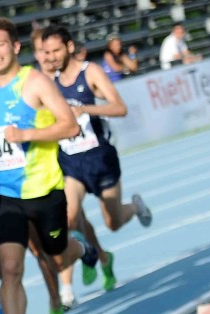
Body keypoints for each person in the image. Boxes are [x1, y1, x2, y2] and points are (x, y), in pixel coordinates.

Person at [0, 18, 98, 314]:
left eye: (0, 44)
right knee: (11, 268)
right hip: (6, 194)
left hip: (44, 190)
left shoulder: (34, 82)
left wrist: (26, 134)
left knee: (57, 260)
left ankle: (82, 247)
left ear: (15, 47)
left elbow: (70, 125)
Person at [42, 24, 152, 294]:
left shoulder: (89, 71)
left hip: (100, 157)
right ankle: (86, 255)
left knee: (113, 222)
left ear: (69, 47)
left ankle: (134, 206)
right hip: (71, 162)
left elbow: (120, 107)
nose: (52, 57)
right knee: (68, 218)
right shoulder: (47, 82)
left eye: (56, 50)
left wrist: (85, 109)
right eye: (47, 52)